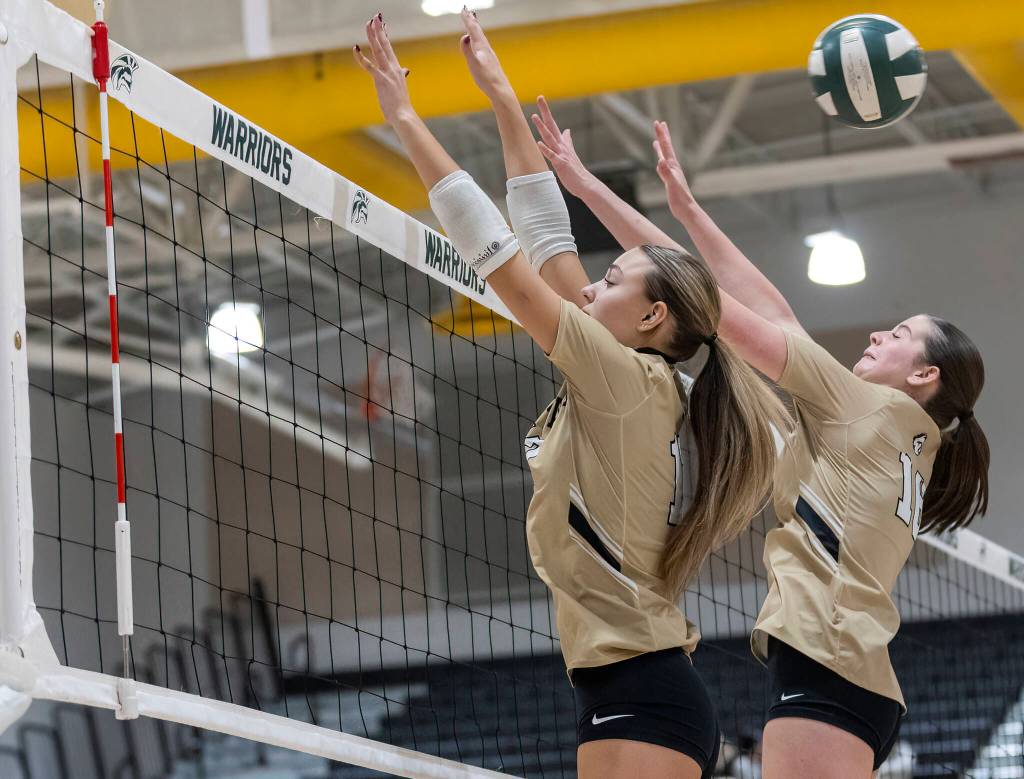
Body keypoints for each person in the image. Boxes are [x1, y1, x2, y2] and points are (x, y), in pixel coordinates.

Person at [354, 12, 788, 779]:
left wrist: (405, 120)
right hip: (615, 682)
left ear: (653, 318)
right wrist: (501, 98)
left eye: (614, 279)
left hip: (644, 686)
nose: (594, 282)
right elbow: (550, 238)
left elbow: (503, 257)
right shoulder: (619, 370)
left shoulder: (625, 378)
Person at [534, 104, 990, 779]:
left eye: (895, 335)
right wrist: (685, 208)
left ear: (924, 374)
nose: (875, 336)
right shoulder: (899, 434)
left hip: (828, 670)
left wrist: (592, 193)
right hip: (843, 674)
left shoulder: (864, 407)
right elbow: (761, 302)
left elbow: (709, 305)